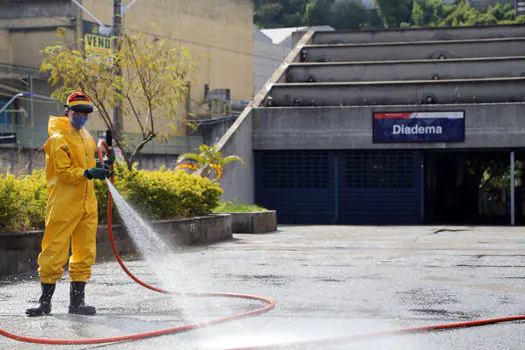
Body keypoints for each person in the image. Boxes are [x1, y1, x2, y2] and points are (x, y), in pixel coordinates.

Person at [26, 92, 114, 317]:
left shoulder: (86, 136)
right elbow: (64, 172)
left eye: (85, 114)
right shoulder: (58, 139)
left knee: (84, 252)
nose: (81, 118)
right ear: (67, 112)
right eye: (77, 113)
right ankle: (44, 304)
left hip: (87, 203)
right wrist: (87, 172)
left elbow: (86, 163)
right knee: (54, 251)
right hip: (64, 203)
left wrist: (101, 164)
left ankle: (77, 303)